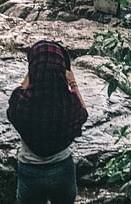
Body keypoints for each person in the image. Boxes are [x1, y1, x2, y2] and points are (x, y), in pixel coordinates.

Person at [6, 40, 89, 204]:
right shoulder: (68, 103)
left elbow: (13, 109)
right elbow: (83, 113)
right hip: (62, 168)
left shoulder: (22, 101)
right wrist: (73, 84)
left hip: (29, 169)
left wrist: (30, 76)